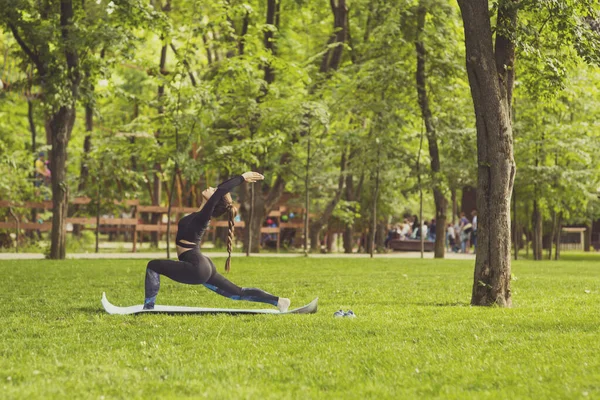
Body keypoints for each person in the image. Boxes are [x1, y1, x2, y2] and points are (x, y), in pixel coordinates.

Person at [143, 172, 291, 312]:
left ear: (214, 201)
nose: (210, 187)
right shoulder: (200, 214)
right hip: (202, 265)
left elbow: (221, 189)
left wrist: (242, 177)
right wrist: (233, 183)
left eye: (213, 190)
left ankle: (148, 308)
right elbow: (221, 190)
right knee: (237, 293)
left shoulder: (204, 217)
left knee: (153, 266)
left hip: (196, 267)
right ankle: (279, 301)